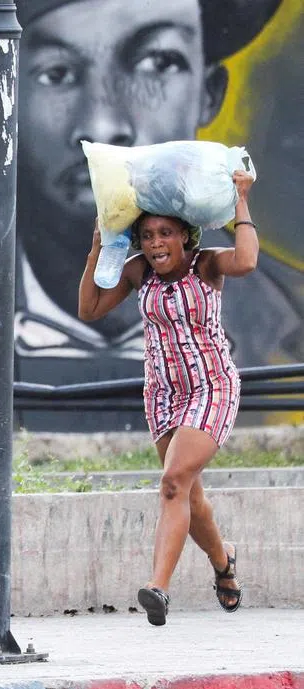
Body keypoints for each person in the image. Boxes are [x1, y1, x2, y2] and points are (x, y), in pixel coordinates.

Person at [0, 0, 303, 429]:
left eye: (156, 62)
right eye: (56, 74)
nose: (103, 125)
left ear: (208, 93)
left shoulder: (288, 318)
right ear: (4, 103)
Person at [75, 171, 254, 626]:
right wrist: (99, 247)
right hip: (162, 394)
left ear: (185, 237)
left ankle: (158, 588)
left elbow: (248, 260)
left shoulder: (208, 265)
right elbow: (89, 309)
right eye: (148, 235)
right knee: (188, 495)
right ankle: (223, 560)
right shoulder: (137, 271)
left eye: (166, 234)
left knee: (173, 482)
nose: (156, 244)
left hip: (212, 386)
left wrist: (241, 201)